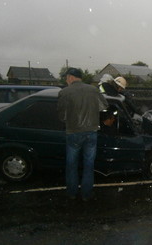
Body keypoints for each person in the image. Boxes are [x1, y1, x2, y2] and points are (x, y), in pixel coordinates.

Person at [57, 67, 108, 201]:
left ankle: (72, 193)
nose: (66, 80)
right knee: (89, 164)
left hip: (73, 132)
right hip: (91, 132)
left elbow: (62, 116)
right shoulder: (93, 90)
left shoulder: (64, 92)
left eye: (66, 78)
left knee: (71, 164)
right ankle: (86, 194)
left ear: (71, 77)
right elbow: (104, 106)